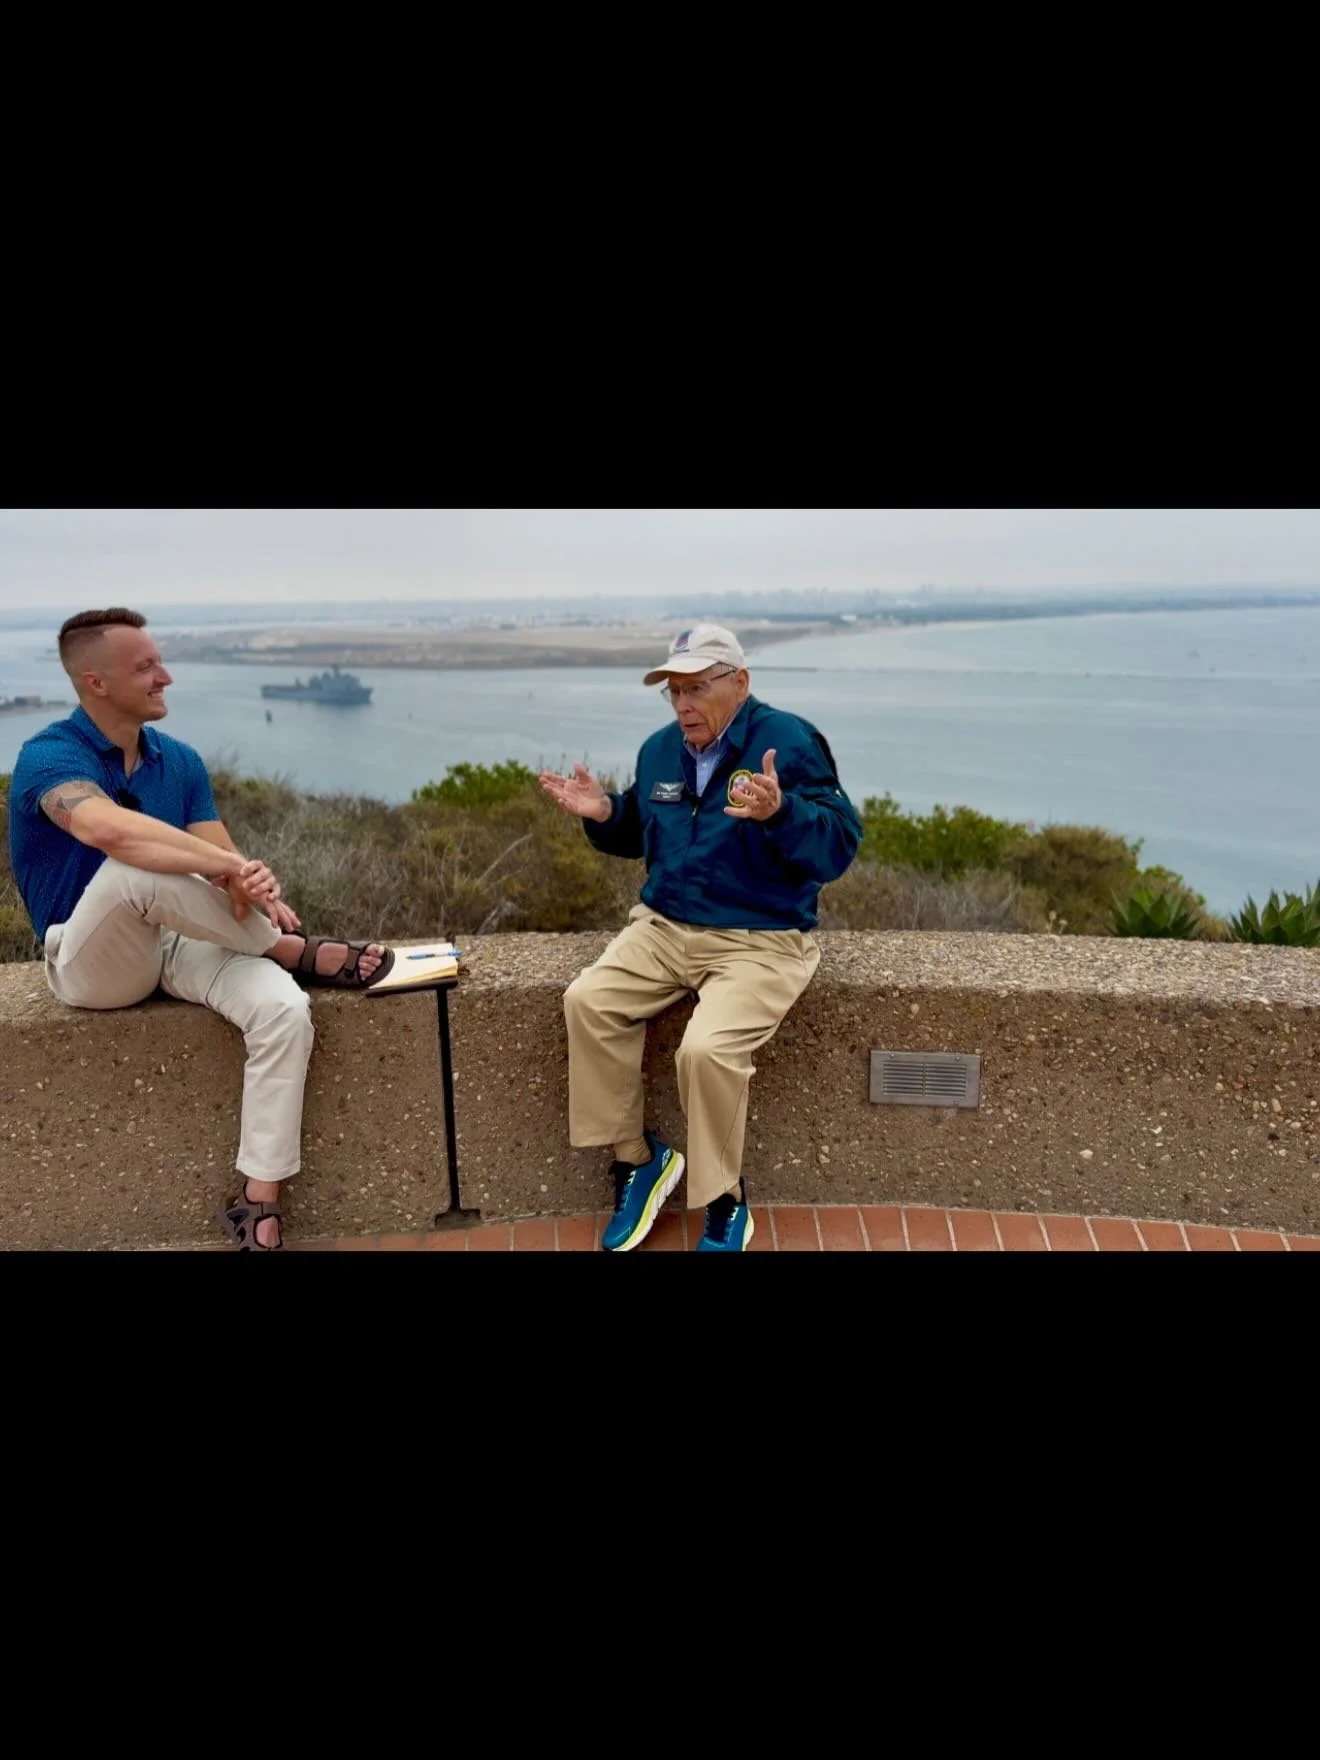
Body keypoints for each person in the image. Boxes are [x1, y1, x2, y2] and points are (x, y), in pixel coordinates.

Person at [7, 607, 397, 1251]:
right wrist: (227, 869)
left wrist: (243, 883)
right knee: (132, 871)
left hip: (182, 944)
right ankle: (295, 951)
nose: (166, 676)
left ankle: (256, 1202)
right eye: (146, 666)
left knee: (283, 1011)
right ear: (96, 682)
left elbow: (228, 876)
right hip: (88, 960)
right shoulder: (49, 755)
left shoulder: (179, 762)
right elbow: (105, 831)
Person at [539, 623, 862, 1252]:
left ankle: (724, 1201)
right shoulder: (661, 749)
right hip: (664, 927)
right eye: (673, 691)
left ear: (739, 682)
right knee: (588, 1001)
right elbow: (644, 824)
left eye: (695, 689)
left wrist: (782, 812)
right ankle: (639, 1161)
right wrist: (605, 815)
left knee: (705, 1052)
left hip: (759, 938)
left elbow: (838, 844)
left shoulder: (788, 742)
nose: (683, 705)